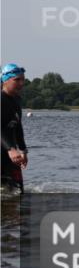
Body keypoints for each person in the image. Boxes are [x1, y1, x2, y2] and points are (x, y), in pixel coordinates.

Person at [1, 64, 28, 193]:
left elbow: (17, 126)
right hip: (8, 150)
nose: (21, 83)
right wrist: (11, 149)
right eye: (17, 80)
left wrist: (23, 150)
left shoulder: (17, 100)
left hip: (11, 154)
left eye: (23, 79)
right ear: (5, 80)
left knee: (18, 192)